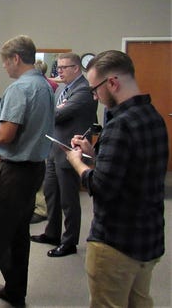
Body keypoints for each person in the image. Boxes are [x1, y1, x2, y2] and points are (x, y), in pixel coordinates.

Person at [65, 50, 168, 307]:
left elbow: (101, 187)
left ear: (112, 83)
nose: (95, 96)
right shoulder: (153, 117)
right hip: (149, 237)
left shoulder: (119, 125)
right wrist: (95, 154)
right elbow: (133, 170)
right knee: (139, 302)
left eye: (95, 89)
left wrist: (78, 163)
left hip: (116, 243)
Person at [0, 35, 54, 307]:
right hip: (34, 170)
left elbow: (7, 134)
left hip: (14, 173)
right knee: (18, 235)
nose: (4, 67)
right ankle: (15, 291)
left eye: (5, 62)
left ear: (15, 59)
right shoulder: (45, 86)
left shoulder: (20, 88)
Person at [31, 52, 98, 258]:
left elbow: (58, 114)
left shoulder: (84, 90)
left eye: (63, 68)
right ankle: (52, 233)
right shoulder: (63, 88)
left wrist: (53, 110)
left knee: (69, 199)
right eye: (57, 67)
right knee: (51, 192)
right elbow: (54, 110)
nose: (58, 71)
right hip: (54, 148)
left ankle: (69, 242)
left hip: (70, 152)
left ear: (76, 68)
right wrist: (54, 108)